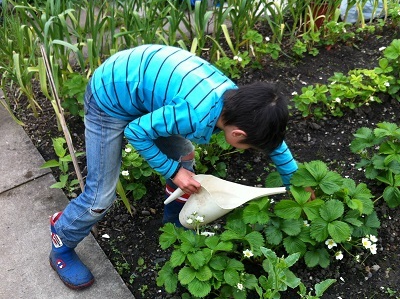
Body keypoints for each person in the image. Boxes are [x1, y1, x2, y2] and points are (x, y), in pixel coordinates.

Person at [49, 44, 299, 289]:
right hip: (109, 98)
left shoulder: (240, 103)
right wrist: (173, 172)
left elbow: (271, 140)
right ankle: (62, 239)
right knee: (99, 197)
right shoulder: (194, 114)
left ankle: (174, 221)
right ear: (237, 134)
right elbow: (135, 131)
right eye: (252, 146)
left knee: (183, 155)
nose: (255, 149)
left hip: (141, 88)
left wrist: (295, 180)